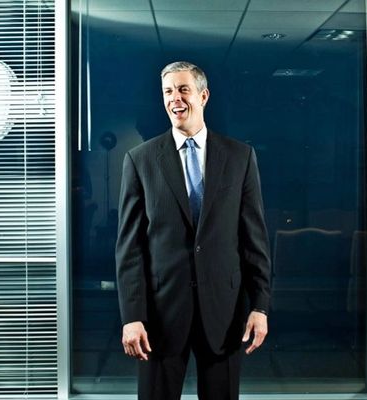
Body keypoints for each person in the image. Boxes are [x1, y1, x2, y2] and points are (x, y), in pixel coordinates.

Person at [115, 61, 271, 400]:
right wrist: (132, 317)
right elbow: (130, 249)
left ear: (203, 95)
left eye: (183, 89)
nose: (175, 98)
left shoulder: (240, 157)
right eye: (168, 91)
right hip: (160, 316)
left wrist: (260, 306)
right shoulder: (140, 160)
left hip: (224, 313)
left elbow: (254, 240)